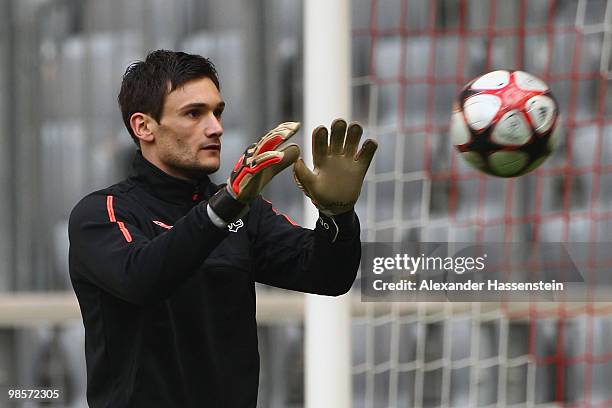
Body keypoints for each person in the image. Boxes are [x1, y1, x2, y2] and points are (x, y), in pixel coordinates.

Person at [68, 50, 376, 407]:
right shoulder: (101, 213)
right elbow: (142, 277)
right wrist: (226, 205)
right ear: (144, 126)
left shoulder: (244, 210)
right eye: (194, 113)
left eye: (218, 112)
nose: (216, 127)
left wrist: (337, 216)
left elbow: (329, 275)